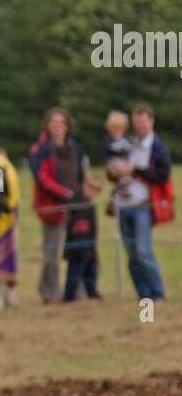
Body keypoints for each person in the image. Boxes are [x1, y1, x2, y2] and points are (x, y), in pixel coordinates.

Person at [29, 108, 98, 305]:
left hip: (76, 207)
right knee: (52, 253)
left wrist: (87, 190)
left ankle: (77, 290)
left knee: (78, 250)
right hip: (53, 208)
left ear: (67, 126)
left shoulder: (75, 147)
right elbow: (42, 178)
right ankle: (49, 292)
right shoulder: (41, 150)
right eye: (54, 122)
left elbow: (82, 174)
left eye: (62, 122)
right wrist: (62, 193)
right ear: (47, 125)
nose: (58, 126)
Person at [107, 104, 171, 302]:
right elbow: (116, 169)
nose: (140, 125)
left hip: (143, 206)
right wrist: (115, 172)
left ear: (151, 121)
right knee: (132, 255)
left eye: (143, 121)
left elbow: (162, 175)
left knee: (143, 252)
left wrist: (134, 171)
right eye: (136, 122)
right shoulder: (129, 145)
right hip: (124, 205)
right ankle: (143, 296)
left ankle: (157, 294)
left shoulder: (157, 148)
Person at [62, 199, 100, 302]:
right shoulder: (76, 203)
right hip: (76, 248)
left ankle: (92, 295)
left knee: (91, 271)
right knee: (75, 273)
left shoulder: (90, 206)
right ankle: (69, 298)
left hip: (89, 247)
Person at [103, 110, 134, 213]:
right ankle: (114, 197)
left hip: (125, 164)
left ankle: (119, 193)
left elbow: (131, 149)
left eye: (120, 128)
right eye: (114, 128)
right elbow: (107, 150)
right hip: (113, 163)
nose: (117, 131)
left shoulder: (127, 138)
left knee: (126, 177)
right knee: (120, 171)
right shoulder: (108, 139)